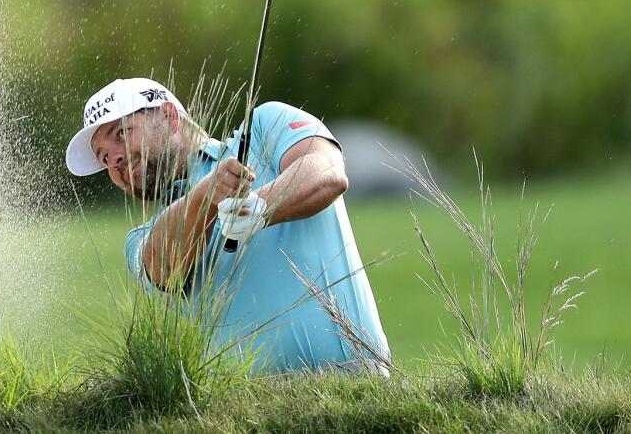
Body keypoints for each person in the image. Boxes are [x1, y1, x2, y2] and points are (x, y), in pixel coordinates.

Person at [66, 77, 390, 374]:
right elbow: (164, 268)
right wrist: (207, 195)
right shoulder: (144, 240)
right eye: (104, 157)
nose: (115, 159)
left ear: (169, 116)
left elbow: (326, 172)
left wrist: (260, 208)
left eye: (122, 133)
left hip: (352, 382)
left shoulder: (264, 126)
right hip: (243, 411)